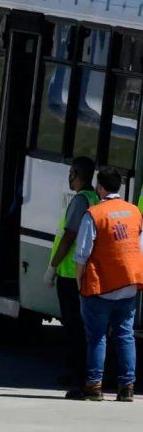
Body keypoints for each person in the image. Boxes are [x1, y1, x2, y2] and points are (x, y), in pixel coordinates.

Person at [68, 166, 143, 401]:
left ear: (100, 188)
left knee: (97, 336)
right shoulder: (134, 212)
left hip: (101, 286)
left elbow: (82, 253)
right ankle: (127, 388)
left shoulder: (95, 214)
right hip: (129, 284)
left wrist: (79, 280)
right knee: (125, 335)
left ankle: (94, 386)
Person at [43, 157, 99, 387]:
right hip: (84, 273)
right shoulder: (95, 198)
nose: (69, 177)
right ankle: (83, 371)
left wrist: (52, 267)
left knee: (73, 327)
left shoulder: (80, 201)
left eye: (71, 173)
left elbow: (68, 238)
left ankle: (77, 374)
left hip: (69, 275)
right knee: (84, 327)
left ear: (76, 174)